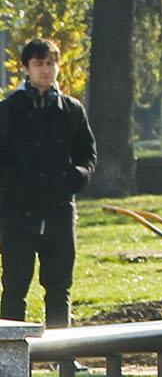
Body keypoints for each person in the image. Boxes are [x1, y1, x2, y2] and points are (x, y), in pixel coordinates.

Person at [0, 39, 93, 327]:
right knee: (15, 287)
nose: (45, 70)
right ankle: (8, 358)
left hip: (59, 211)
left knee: (59, 285)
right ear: (26, 68)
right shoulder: (7, 111)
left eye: (51, 63)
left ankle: (61, 358)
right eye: (39, 64)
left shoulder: (71, 110)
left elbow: (86, 153)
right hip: (16, 215)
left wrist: (75, 178)